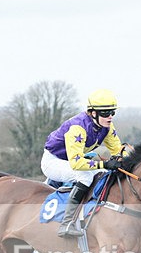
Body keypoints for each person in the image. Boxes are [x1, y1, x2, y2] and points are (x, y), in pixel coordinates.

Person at [41, 89, 126, 237]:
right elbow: (76, 164)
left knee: (105, 175)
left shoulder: (107, 127)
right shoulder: (78, 128)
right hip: (53, 161)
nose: (110, 117)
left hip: (74, 160)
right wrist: (104, 164)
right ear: (93, 113)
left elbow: (118, 149)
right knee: (85, 176)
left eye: (113, 112)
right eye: (106, 113)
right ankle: (66, 224)